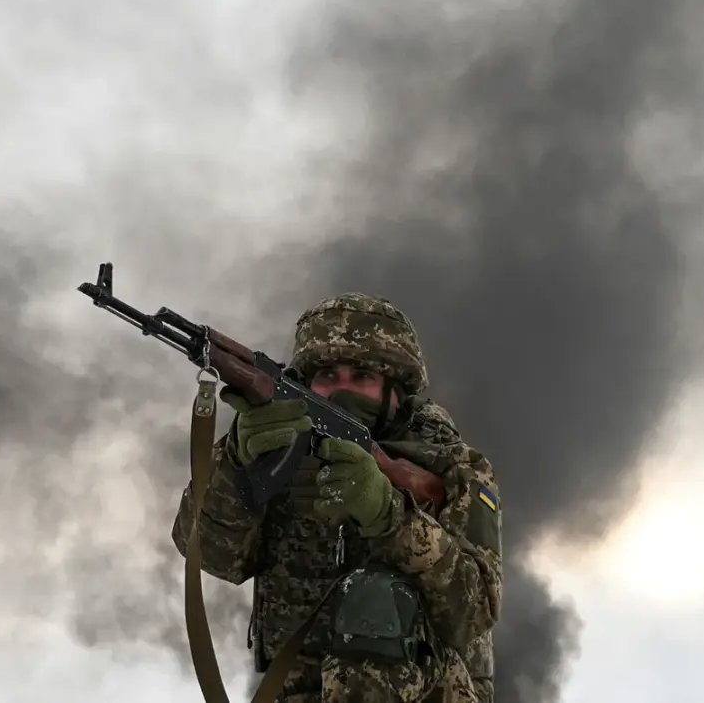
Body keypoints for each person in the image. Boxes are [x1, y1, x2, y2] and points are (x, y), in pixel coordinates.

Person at [171, 294, 502, 702]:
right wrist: (236, 462)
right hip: (295, 692)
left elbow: (474, 612)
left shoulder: (453, 469)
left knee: (374, 598)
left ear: (396, 390)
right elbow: (209, 555)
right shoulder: (280, 447)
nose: (342, 390)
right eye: (327, 375)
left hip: (428, 693)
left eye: (362, 376)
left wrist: (390, 516)